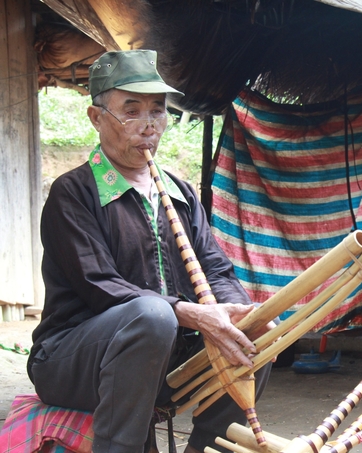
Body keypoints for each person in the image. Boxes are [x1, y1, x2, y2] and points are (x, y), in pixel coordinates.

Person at [27, 49, 274, 453]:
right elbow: (99, 285)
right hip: (72, 359)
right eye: (132, 110)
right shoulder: (73, 193)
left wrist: (239, 315)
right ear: (96, 118)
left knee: (254, 334)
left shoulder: (180, 192)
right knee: (153, 315)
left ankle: (207, 445)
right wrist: (187, 312)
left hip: (162, 357)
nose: (148, 126)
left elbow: (216, 270)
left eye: (157, 112)